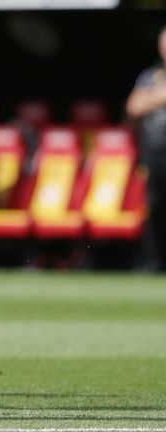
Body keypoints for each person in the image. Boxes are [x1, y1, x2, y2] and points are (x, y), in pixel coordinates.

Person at [126, 25, 166, 272]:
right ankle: (155, 262)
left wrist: (153, 99)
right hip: (155, 150)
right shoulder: (151, 76)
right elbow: (134, 107)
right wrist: (160, 97)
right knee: (156, 207)